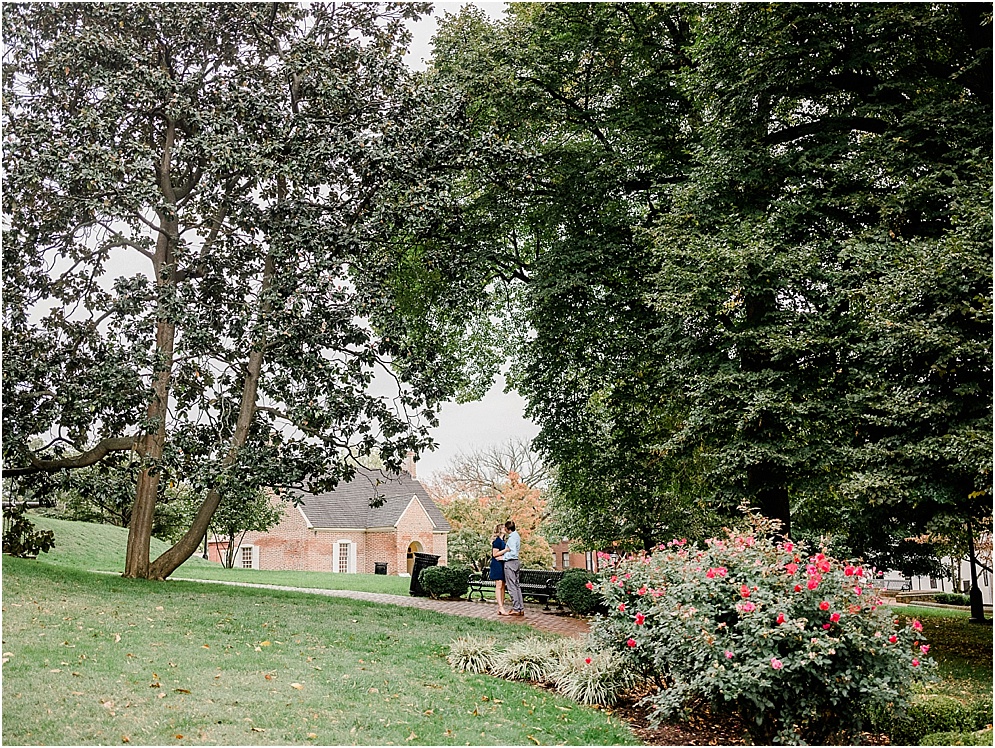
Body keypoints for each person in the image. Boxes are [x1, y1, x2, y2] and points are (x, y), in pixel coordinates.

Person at [500, 519, 525, 617]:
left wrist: (503, 557)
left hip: (510, 563)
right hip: (516, 563)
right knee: (517, 586)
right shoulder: (516, 536)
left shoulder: (511, 539)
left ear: (507, 529)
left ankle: (516, 608)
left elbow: (513, 552)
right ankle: (520, 608)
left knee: (511, 587)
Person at [489, 523, 509, 615]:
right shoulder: (497, 541)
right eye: (503, 528)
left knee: (503, 586)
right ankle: (500, 606)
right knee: (499, 585)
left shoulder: (503, 541)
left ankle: (501, 606)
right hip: (497, 564)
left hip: (502, 563)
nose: (505, 529)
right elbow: (495, 554)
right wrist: (505, 550)